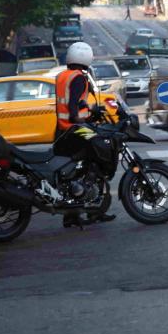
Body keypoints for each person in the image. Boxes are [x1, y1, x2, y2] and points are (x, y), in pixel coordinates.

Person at [54, 42, 116, 227]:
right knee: (98, 159)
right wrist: (84, 118)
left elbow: (72, 102)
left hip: (61, 129)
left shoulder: (62, 76)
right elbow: (73, 106)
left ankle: (71, 215)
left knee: (74, 172)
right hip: (75, 129)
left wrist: (87, 109)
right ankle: (95, 211)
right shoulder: (79, 78)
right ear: (86, 58)